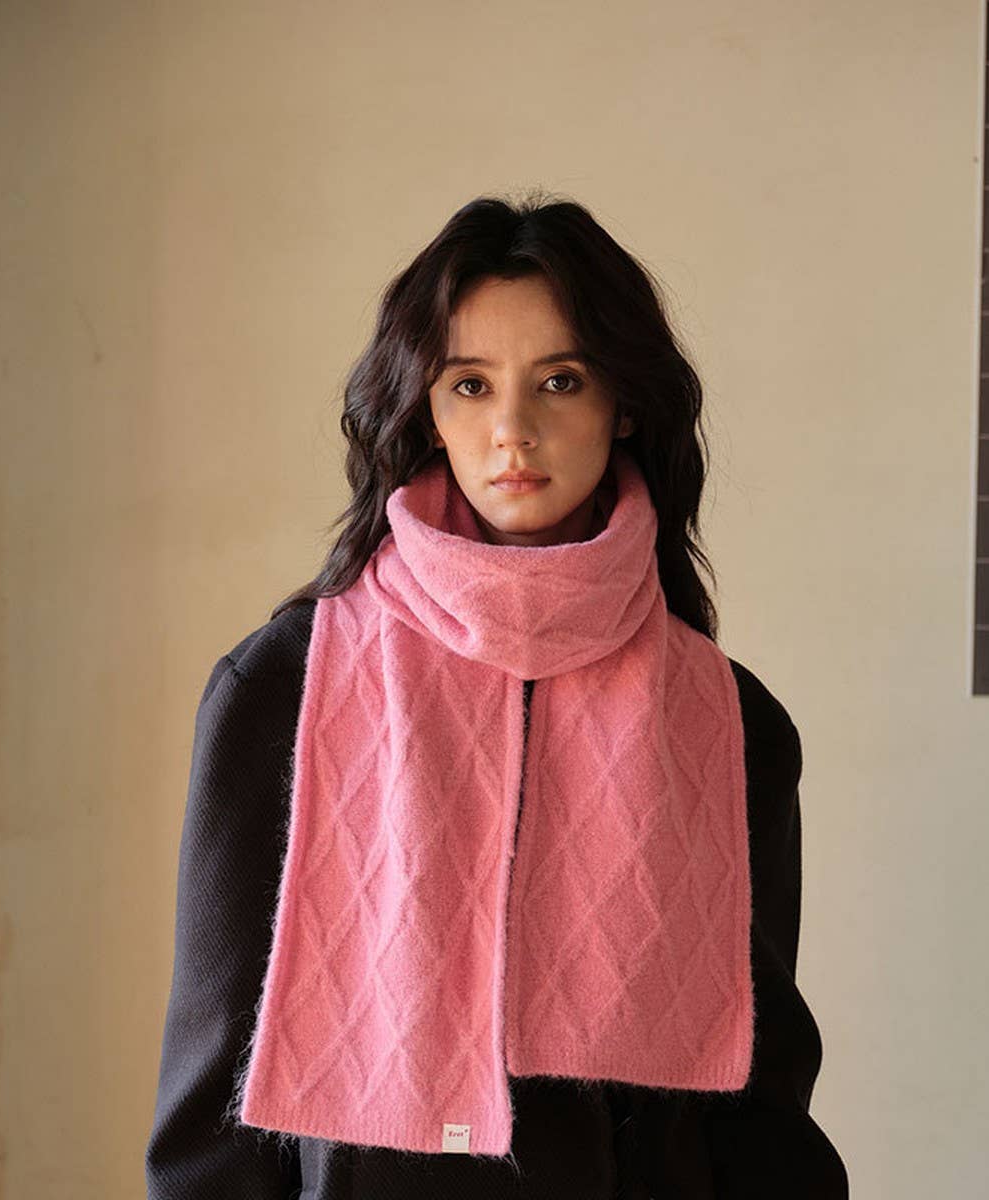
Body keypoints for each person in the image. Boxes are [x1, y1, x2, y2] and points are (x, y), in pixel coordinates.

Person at [145, 193, 850, 1198]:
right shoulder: (281, 691)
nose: (513, 430)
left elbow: (763, 1096)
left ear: (624, 404)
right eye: (470, 385)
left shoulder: (729, 720)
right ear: (426, 412)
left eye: (560, 381)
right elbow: (210, 1090)